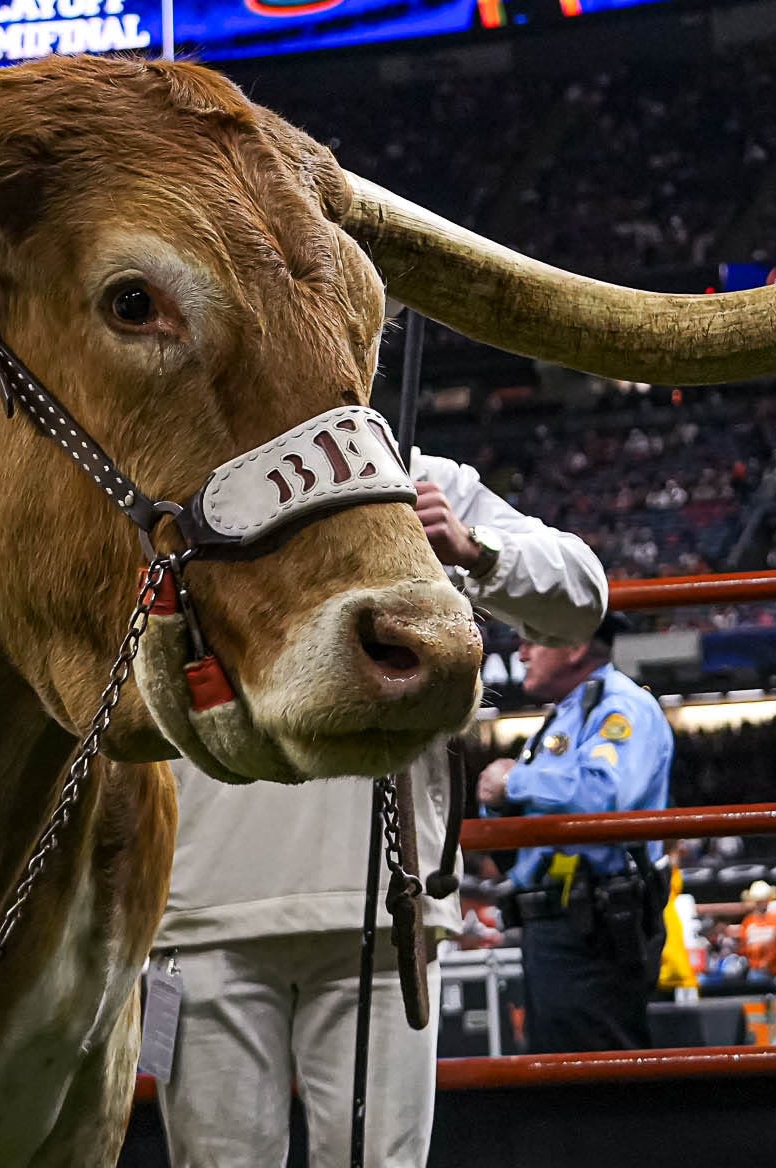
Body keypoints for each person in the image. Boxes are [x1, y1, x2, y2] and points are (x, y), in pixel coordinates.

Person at [155, 456, 606, 1168]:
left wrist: (474, 550)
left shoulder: (414, 475)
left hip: (366, 904)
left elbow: (582, 596)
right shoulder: (179, 454)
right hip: (210, 907)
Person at [479, 614, 675, 1052]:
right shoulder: (570, 713)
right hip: (558, 924)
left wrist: (513, 783)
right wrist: (498, 800)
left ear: (576, 646)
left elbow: (606, 795)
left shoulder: (620, 707)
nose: (522, 652)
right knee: (562, 1075)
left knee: (597, 1078)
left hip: (595, 927)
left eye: (533, 639)